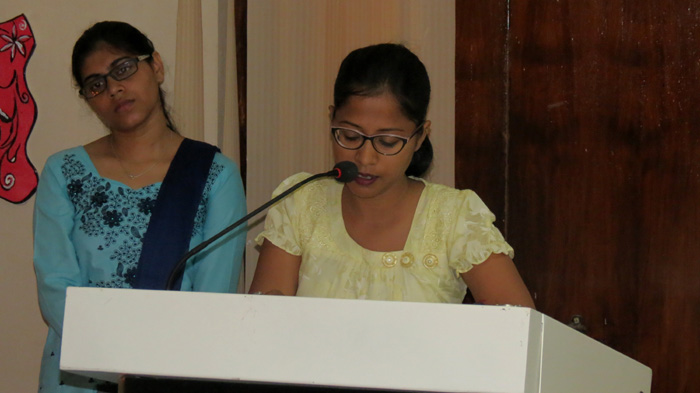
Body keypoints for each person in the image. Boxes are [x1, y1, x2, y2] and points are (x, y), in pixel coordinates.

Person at [33, 21, 246, 392]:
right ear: (88, 99)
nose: (114, 88)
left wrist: (149, 368)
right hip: (79, 376)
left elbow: (213, 296)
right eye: (96, 84)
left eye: (123, 68)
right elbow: (55, 285)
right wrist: (113, 359)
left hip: (174, 373)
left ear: (157, 66)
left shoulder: (215, 175)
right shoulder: (63, 172)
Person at [249, 43, 534, 308]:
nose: (364, 158)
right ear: (331, 119)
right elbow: (262, 327)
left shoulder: (453, 217)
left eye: (387, 142)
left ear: (420, 136)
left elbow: (519, 328)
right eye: (349, 135)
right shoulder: (301, 202)